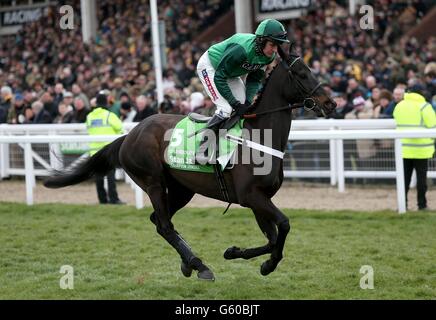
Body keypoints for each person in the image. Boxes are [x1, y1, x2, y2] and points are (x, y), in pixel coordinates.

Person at [196, 18, 290, 131]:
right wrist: (234, 103)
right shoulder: (241, 50)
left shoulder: (268, 57)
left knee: (243, 106)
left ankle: (225, 139)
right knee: (225, 109)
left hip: (229, 73)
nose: (275, 50)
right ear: (261, 40)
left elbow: (254, 80)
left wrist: (248, 102)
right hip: (210, 67)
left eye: (277, 45)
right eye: (272, 44)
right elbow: (219, 77)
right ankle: (202, 146)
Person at [393, 86, 436, 211]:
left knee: (404, 179)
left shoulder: (400, 105)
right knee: (421, 180)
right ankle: (421, 205)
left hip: (403, 148)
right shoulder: (424, 106)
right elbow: (432, 124)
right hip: (421, 149)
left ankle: (403, 205)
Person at [86, 92, 125, 205]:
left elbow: (88, 130)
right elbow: (119, 128)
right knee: (110, 176)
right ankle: (114, 199)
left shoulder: (89, 116)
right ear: (106, 103)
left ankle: (102, 200)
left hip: (94, 151)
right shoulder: (109, 115)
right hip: (108, 151)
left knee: (98, 176)